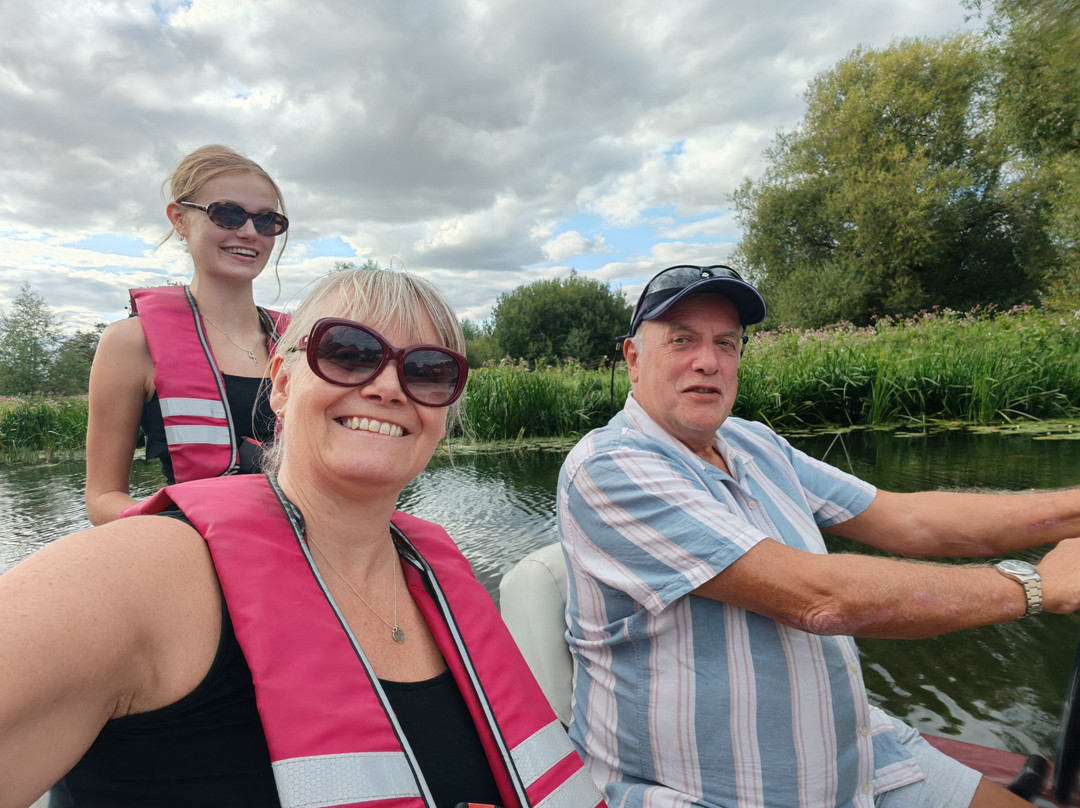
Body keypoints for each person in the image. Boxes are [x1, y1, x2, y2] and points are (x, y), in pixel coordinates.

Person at [1, 268, 605, 808]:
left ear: (444, 414)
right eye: (348, 352)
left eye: (428, 370)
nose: (389, 387)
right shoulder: (142, 574)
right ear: (283, 384)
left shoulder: (442, 583)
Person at [557, 264, 1080, 808]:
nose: (708, 361)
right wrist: (1037, 586)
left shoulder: (753, 443)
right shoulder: (609, 468)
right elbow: (821, 599)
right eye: (682, 340)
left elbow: (910, 520)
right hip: (712, 793)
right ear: (634, 359)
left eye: (726, 343)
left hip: (857, 754)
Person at [84, 144, 291, 525]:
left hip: (309, 549)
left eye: (267, 220)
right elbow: (102, 499)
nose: (249, 232)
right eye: (227, 214)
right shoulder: (130, 344)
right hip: (200, 549)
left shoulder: (299, 343)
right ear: (180, 220)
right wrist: (191, 527)